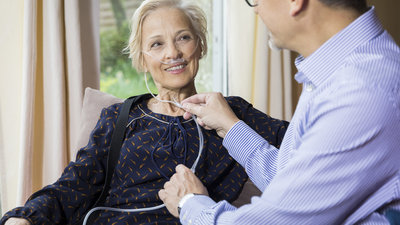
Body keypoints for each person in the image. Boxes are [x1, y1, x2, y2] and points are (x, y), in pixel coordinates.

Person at [0, 0, 289, 225]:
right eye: (156, 44)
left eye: (183, 37)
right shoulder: (119, 118)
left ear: (200, 45)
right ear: (141, 60)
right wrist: (26, 215)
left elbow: (303, 141)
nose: (172, 53)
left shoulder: (231, 112)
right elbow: (75, 184)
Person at [158, 0, 400, 224]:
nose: (256, 9)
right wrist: (229, 126)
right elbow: (296, 186)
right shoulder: (332, 73)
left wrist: (189, 203)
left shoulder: (360, 93)